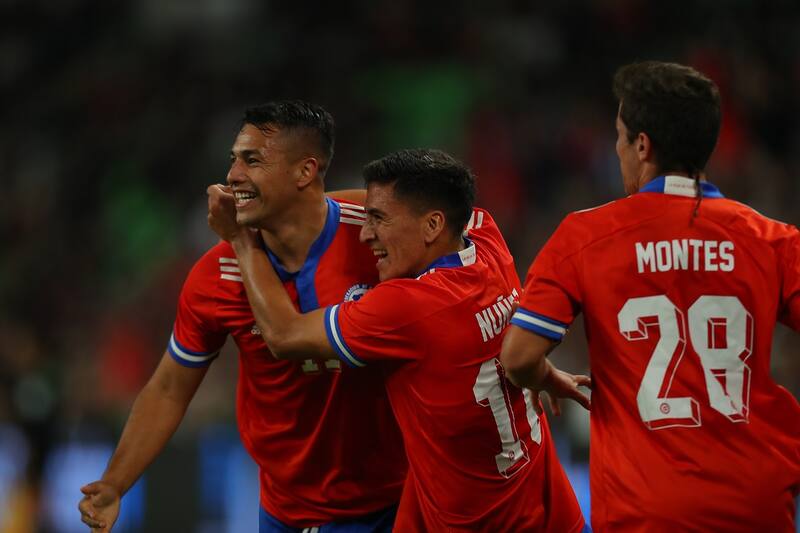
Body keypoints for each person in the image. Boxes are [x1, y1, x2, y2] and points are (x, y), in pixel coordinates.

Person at [207, 148, 590, 532]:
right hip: (546, 499)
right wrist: (536, 369)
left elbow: (284, 337)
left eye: (378, 218)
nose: (364, 233)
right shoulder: (488, 240)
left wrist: (242, 241)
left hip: (481, 521)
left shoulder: (408, 308)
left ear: (431, 226)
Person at [78, 101, 407, 533]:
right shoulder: (214, 275)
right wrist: (116, 482)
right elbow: (169, 389)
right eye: (233, 159)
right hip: (288, 512)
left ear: (305, 171)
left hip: (394, 499)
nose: (232, 176)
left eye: (252, 160)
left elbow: (456, 242)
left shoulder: (374, 231)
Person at [500, 60, 800, 532]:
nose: (616, 149)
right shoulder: (773, 240)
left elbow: (517, 357)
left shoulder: (585, 235)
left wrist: (544, 376)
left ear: (642, 145)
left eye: (619, 136)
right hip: (758, 503)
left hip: (646, 510)